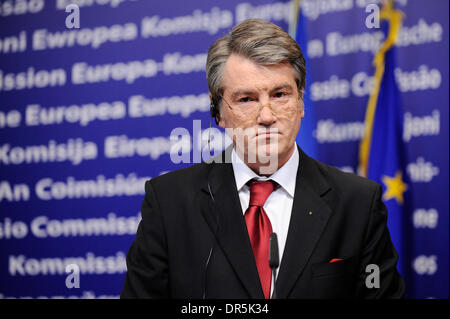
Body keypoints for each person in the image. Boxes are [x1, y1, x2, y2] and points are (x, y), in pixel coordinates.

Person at [121, 18, 405, 299]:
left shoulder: (357, 203)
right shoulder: (169, 202)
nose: (267, 116)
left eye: (280, 94)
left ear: (300, 101)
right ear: (218, 111)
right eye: (247, 99)